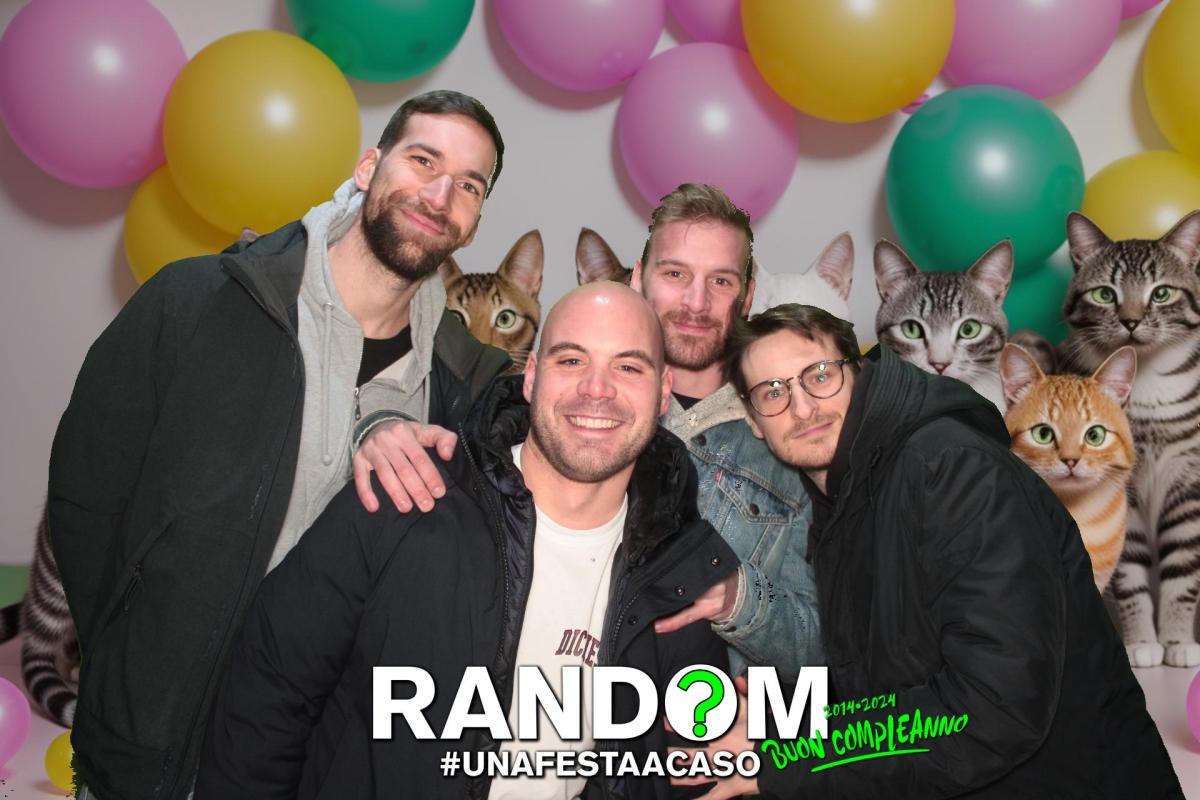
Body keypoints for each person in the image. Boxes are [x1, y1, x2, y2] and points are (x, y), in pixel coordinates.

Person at [48, 90, 512, 800]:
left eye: (469, 185)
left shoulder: (462, 382)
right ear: (368, 167)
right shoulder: (197, 302)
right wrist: (126, 667)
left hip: (305, 772)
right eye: (423, 160)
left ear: (474, 222)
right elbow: (86, 497)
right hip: (146, 755)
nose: (440, 194)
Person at [195, 283, 736, 799]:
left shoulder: (681, 573)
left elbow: (687, 768)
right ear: (530, 378)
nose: (597, 389)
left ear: (663, 391)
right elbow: (266, 693)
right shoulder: (407, 495)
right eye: (571, 360)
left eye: (629, 367)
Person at [675, 303, 1183, 799]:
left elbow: (992, 708)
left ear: (859, 374)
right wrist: (782, 723)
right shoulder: (846, 499)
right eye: (773, 392)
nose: (803, 407)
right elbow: (892, 685)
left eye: (819, 376)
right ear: (754, 420)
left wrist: (783, 760)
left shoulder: (953, 471)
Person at [633, 184, 821, 681]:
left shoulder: (791, 445)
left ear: (747, 295)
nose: (696, 302)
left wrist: (740, 598)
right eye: (675, 274)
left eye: (720, 281)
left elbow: (822, 649)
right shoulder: (587, 410)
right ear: (638, 278)